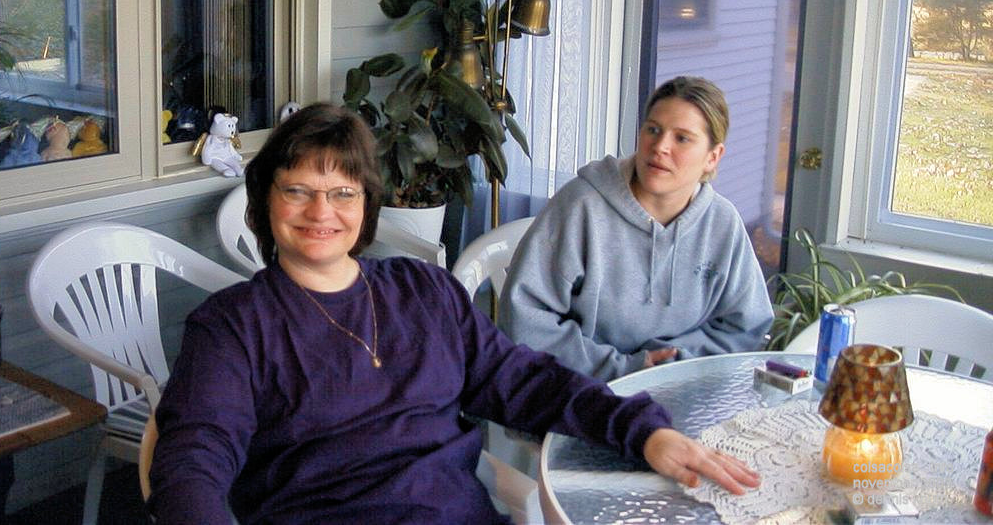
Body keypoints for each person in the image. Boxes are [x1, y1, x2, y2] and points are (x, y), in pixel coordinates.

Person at [148, 103, 760, 525]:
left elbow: (527, 381)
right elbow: (193, 459)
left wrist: (643, 430)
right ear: (265, 202)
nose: (321, 211)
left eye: (342, 193)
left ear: (367, 204)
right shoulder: (233, 326)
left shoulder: (425, 292)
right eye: (297, 190)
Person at [501, 76, 774, 381]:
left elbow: (746, 325)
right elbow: (525, 319)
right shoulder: (581, 207)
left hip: (680, 389)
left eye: (682, 138)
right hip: (580, 390)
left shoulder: (723, 223)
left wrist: (674, 364)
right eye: (653, 130)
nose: (660, 147)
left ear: (713, 157)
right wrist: (624, 367)